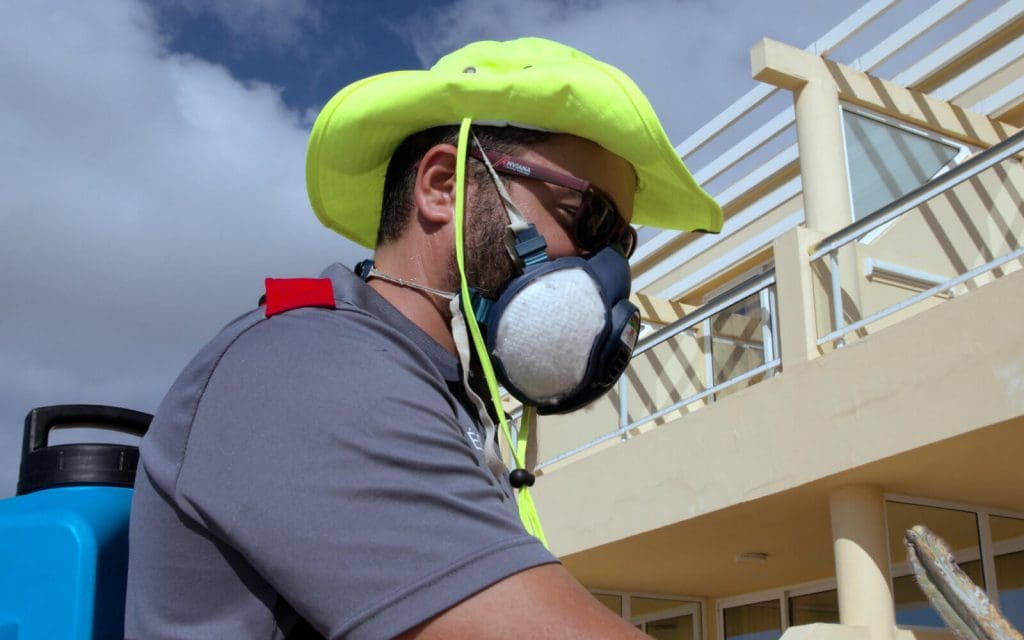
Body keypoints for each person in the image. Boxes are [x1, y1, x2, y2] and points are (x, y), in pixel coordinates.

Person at [125, 37, 721, 639]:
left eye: (619, 247)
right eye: (583, 218)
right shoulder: (312, 368)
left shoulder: (445, 392)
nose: (603, 273)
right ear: (443, 187)